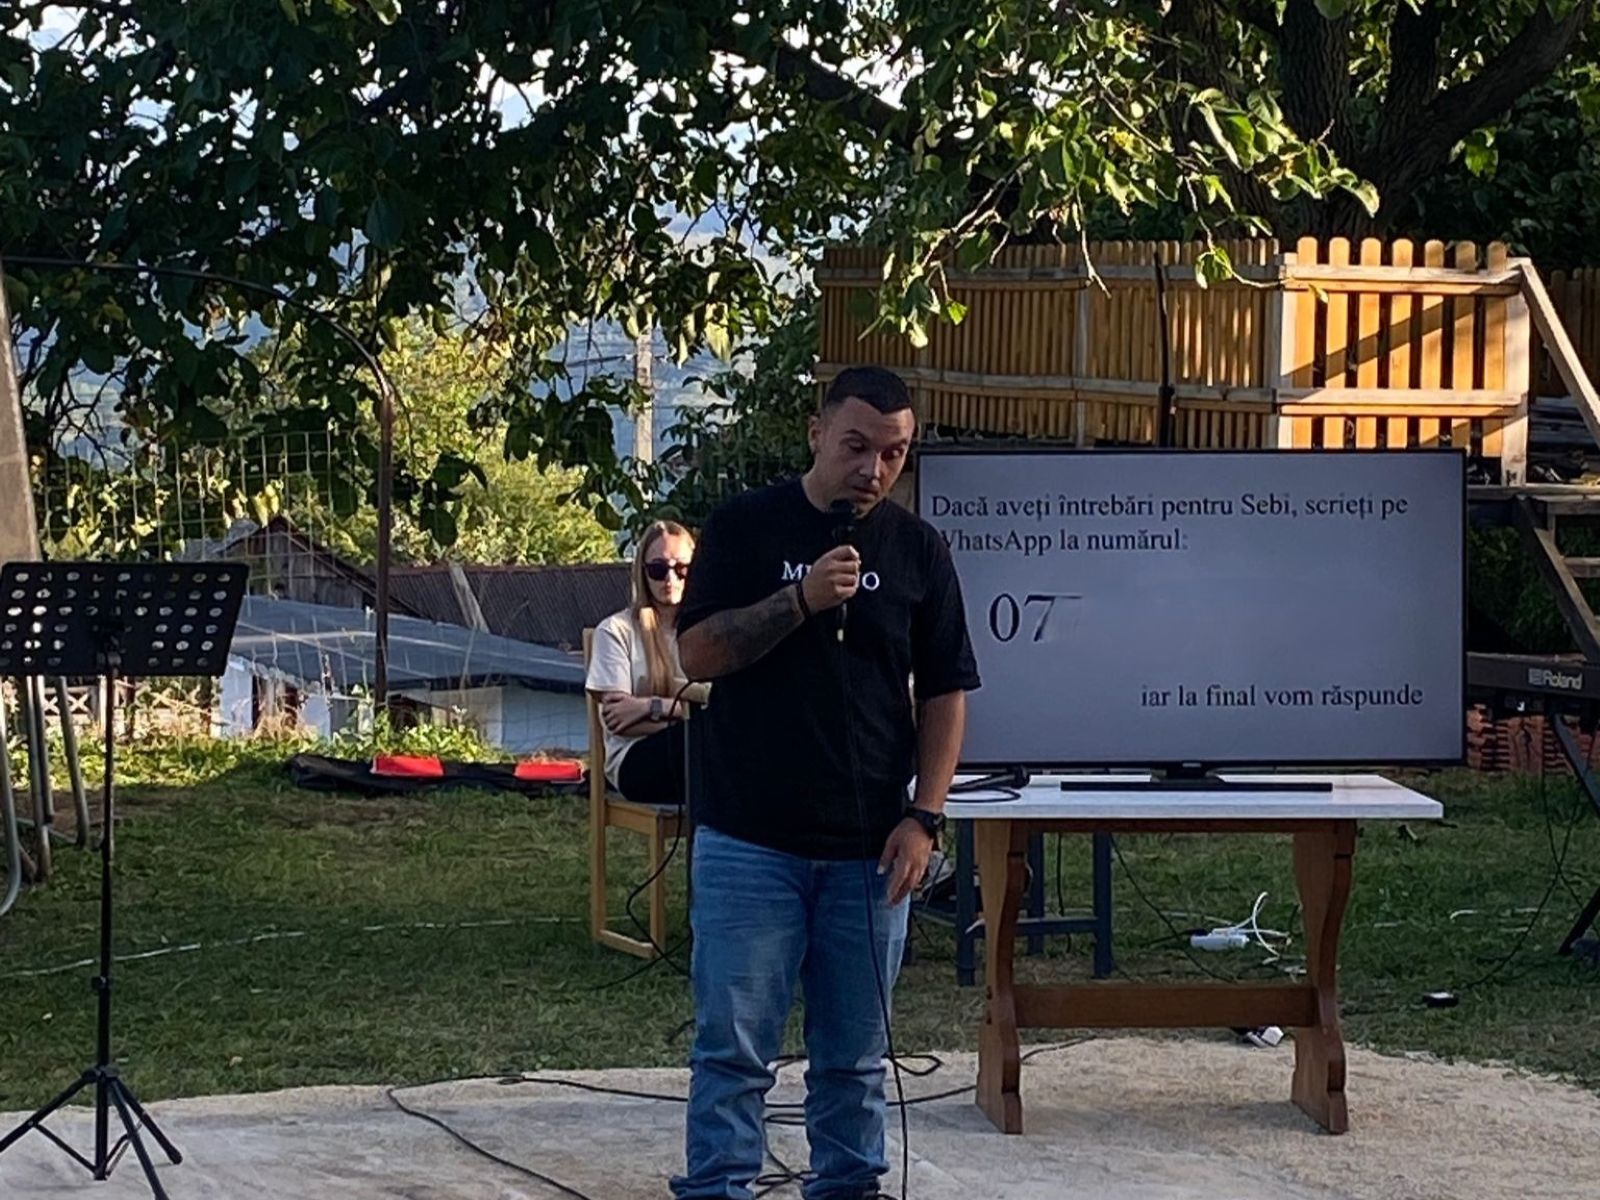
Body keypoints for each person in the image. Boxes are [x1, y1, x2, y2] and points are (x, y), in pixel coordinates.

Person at [669, 366, 980, 1200]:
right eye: (856, 447)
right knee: (734, 1050)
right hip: (750, 839)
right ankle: (719, 1186)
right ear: (817, 434)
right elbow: (695, 654)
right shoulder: (744, 526)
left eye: (893, 454)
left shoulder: (918, 549)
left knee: (854, 1056)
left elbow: (947, 691)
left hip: (870, 846)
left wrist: (925, 816)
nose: (873, 470)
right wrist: (800, 599)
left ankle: (848, 1186)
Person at [585, 520, 706, 808]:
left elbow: (726, 709)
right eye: (658, 569)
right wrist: (694, 715)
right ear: (642, 572)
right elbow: (618, 722)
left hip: (699, 750)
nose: (670, 578)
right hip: (634, 760)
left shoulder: (707, 631)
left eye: (682, 568)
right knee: (709, 741)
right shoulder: (616, 631)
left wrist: (649, 707)